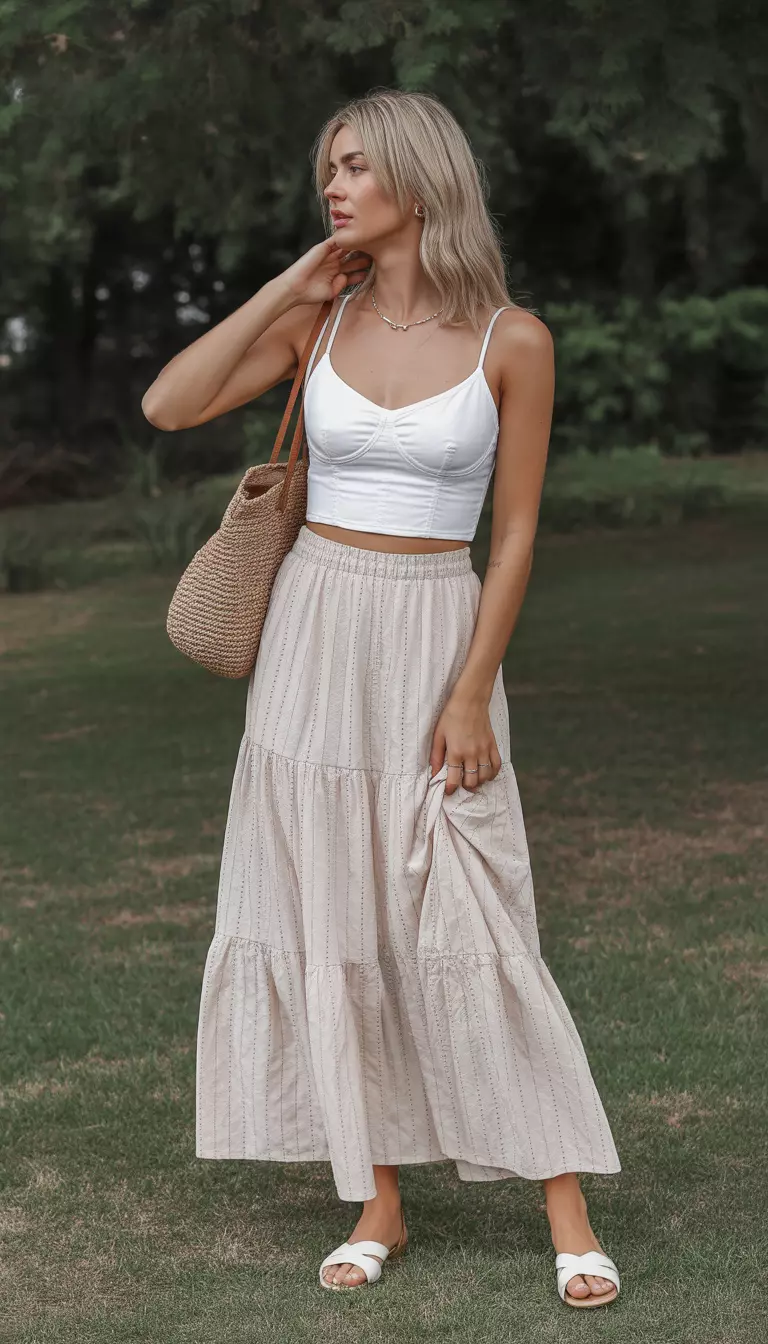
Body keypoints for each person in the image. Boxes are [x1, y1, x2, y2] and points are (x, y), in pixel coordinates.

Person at [142, 87, 622, 1309]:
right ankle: (378, 1201)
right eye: (330, 169)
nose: (335, 185)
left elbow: (514, 537)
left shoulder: (515, 338)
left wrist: (471, 692)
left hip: (434, 636)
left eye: (357, 166)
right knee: (333, 915)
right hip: (311, 637)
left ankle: (566, 1206)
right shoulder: (321, 321)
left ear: (420, 177)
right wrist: (289, 286)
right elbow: (170, 405)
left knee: (474, 912)